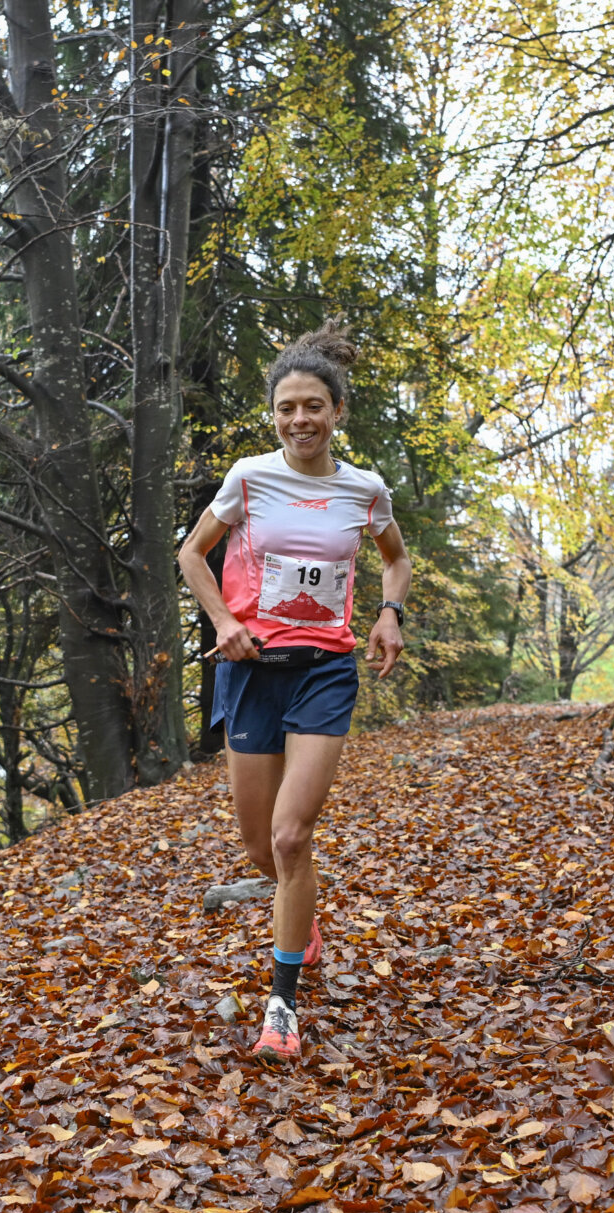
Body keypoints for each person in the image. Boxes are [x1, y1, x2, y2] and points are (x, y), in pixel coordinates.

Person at [176, 320, 411, 1061]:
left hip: (323, 671)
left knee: (289, 835)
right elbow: (191, 553)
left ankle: (282, 1006)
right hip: (250, 672)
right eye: (287, 409)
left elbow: (396, 561)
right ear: (273, 416)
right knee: (258, 846)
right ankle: (299, 912)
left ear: (337, 411)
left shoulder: (365, 491)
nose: (300, 420)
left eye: (313, 406)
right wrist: (222, 621)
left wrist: (388, 613)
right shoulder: (249, 479)